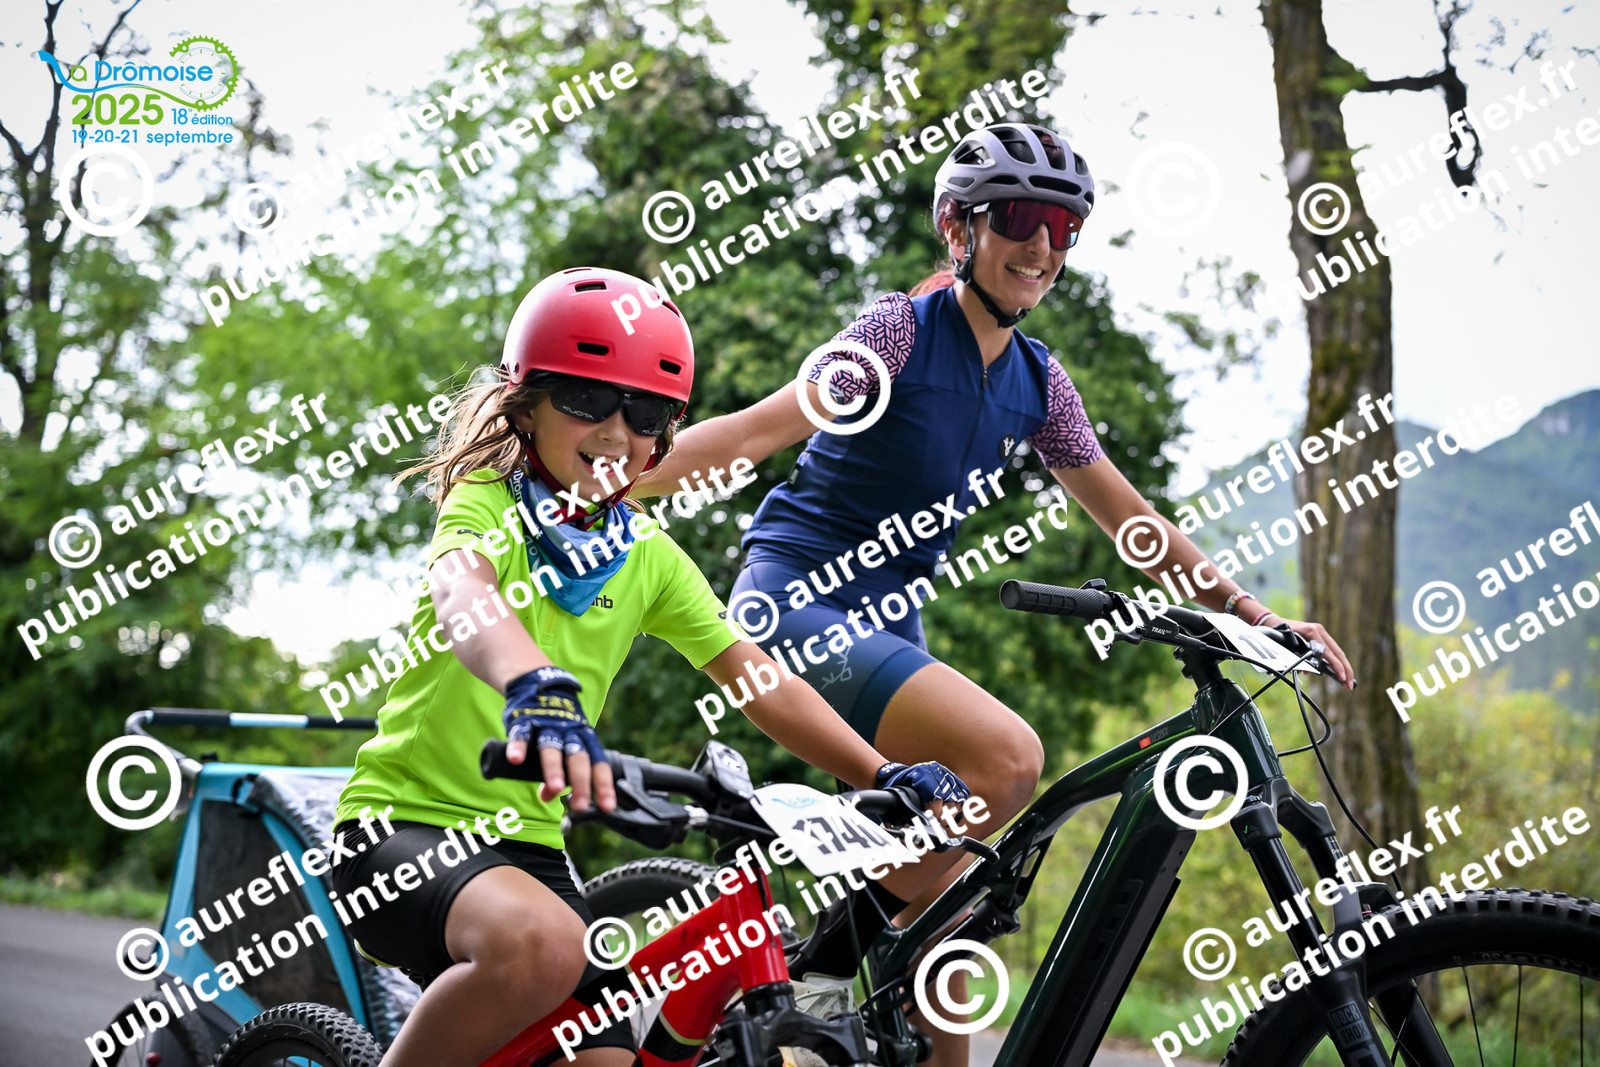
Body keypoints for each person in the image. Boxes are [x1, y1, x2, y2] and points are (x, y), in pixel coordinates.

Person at [634, 122, 1355, 1067]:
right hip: (800, 598)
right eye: (1019, 217)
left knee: (947, 946)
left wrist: (1252, 613)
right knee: (1010, 759)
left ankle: (832, 990)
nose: (1042, 246)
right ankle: (821, 965)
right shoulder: (896, 334)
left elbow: (1131, 521)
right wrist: (601, 481)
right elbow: (748, 434)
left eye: (1064, 227)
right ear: (957, 227)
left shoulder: (1040, 381)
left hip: (892, 621)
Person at [329, 266, 970, 1067]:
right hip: (402, 829)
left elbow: (757, 677)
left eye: (645, 414)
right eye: (586, 400)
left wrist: (884, 771)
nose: (615, 432)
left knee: (606, 1058)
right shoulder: (488, 501)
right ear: (525, 404)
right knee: (543, 946)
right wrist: (533, 684)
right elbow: (467, 592)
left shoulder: (646, 553)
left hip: (529, 850)